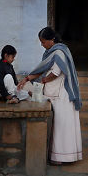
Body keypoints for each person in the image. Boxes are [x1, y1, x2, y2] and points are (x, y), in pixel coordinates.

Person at [17, 27, 82, 164]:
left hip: (62, 94)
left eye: (43, 41)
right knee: (58, 125)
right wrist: (27, 79)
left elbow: (56, 72)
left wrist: (45, 80)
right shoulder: (50, 53)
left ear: (51, 40)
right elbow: (42, 69)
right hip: (55, 92)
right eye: (41, 42)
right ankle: (59, 156)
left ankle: (62, 157)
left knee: (62, 126)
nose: (42, 45)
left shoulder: (59, 52)